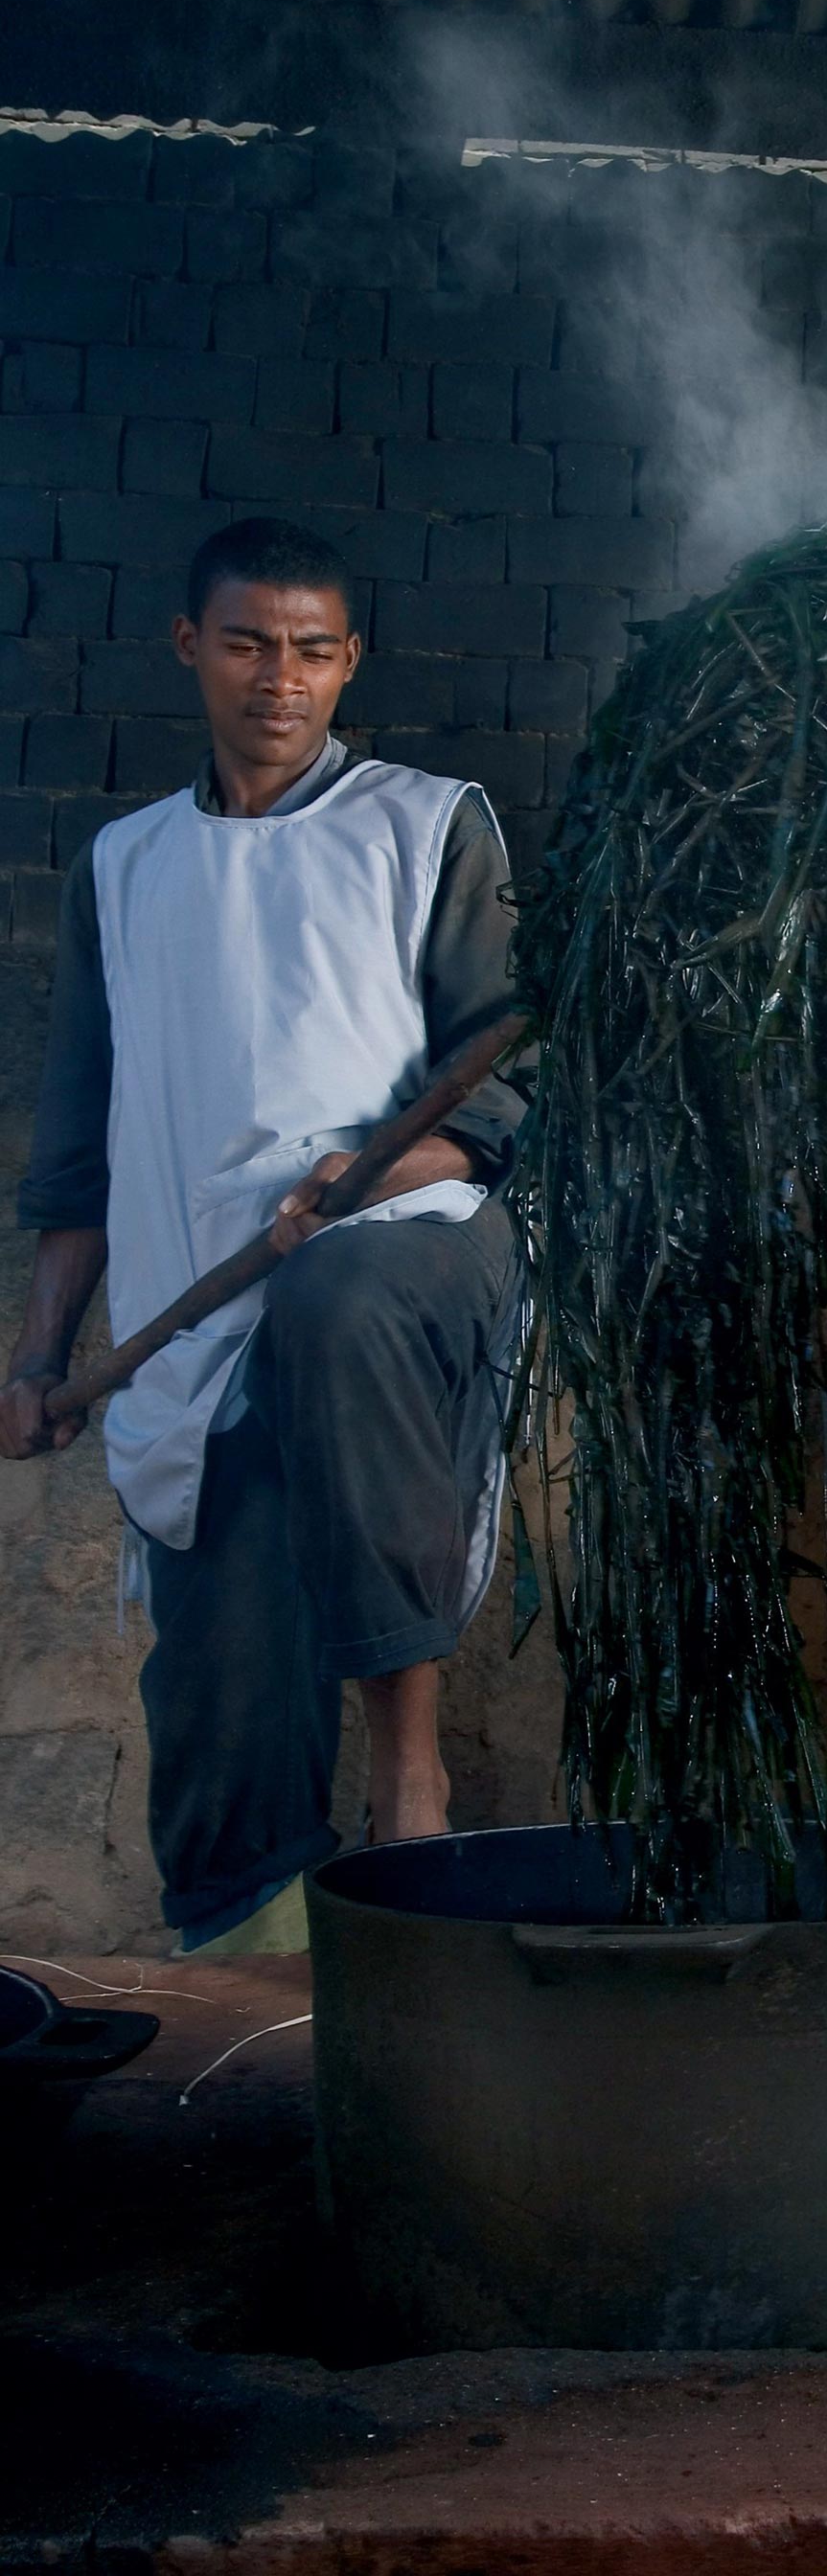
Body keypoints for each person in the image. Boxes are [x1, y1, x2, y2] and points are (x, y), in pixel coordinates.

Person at [0, 516, 523, 1953]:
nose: (278, 680)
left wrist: (368, 1167)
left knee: (336, 1313)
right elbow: (79, 1142)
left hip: (408, 1245)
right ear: (190, 647)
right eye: (246, 644)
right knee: (222, 1721)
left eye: (311, 651)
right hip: (200, 1290)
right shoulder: (129, 864)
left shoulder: (425, 825)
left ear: (349, 660)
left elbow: (506, 1089)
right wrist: (43, 1353)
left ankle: (410, 1777)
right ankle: (266, 2019)